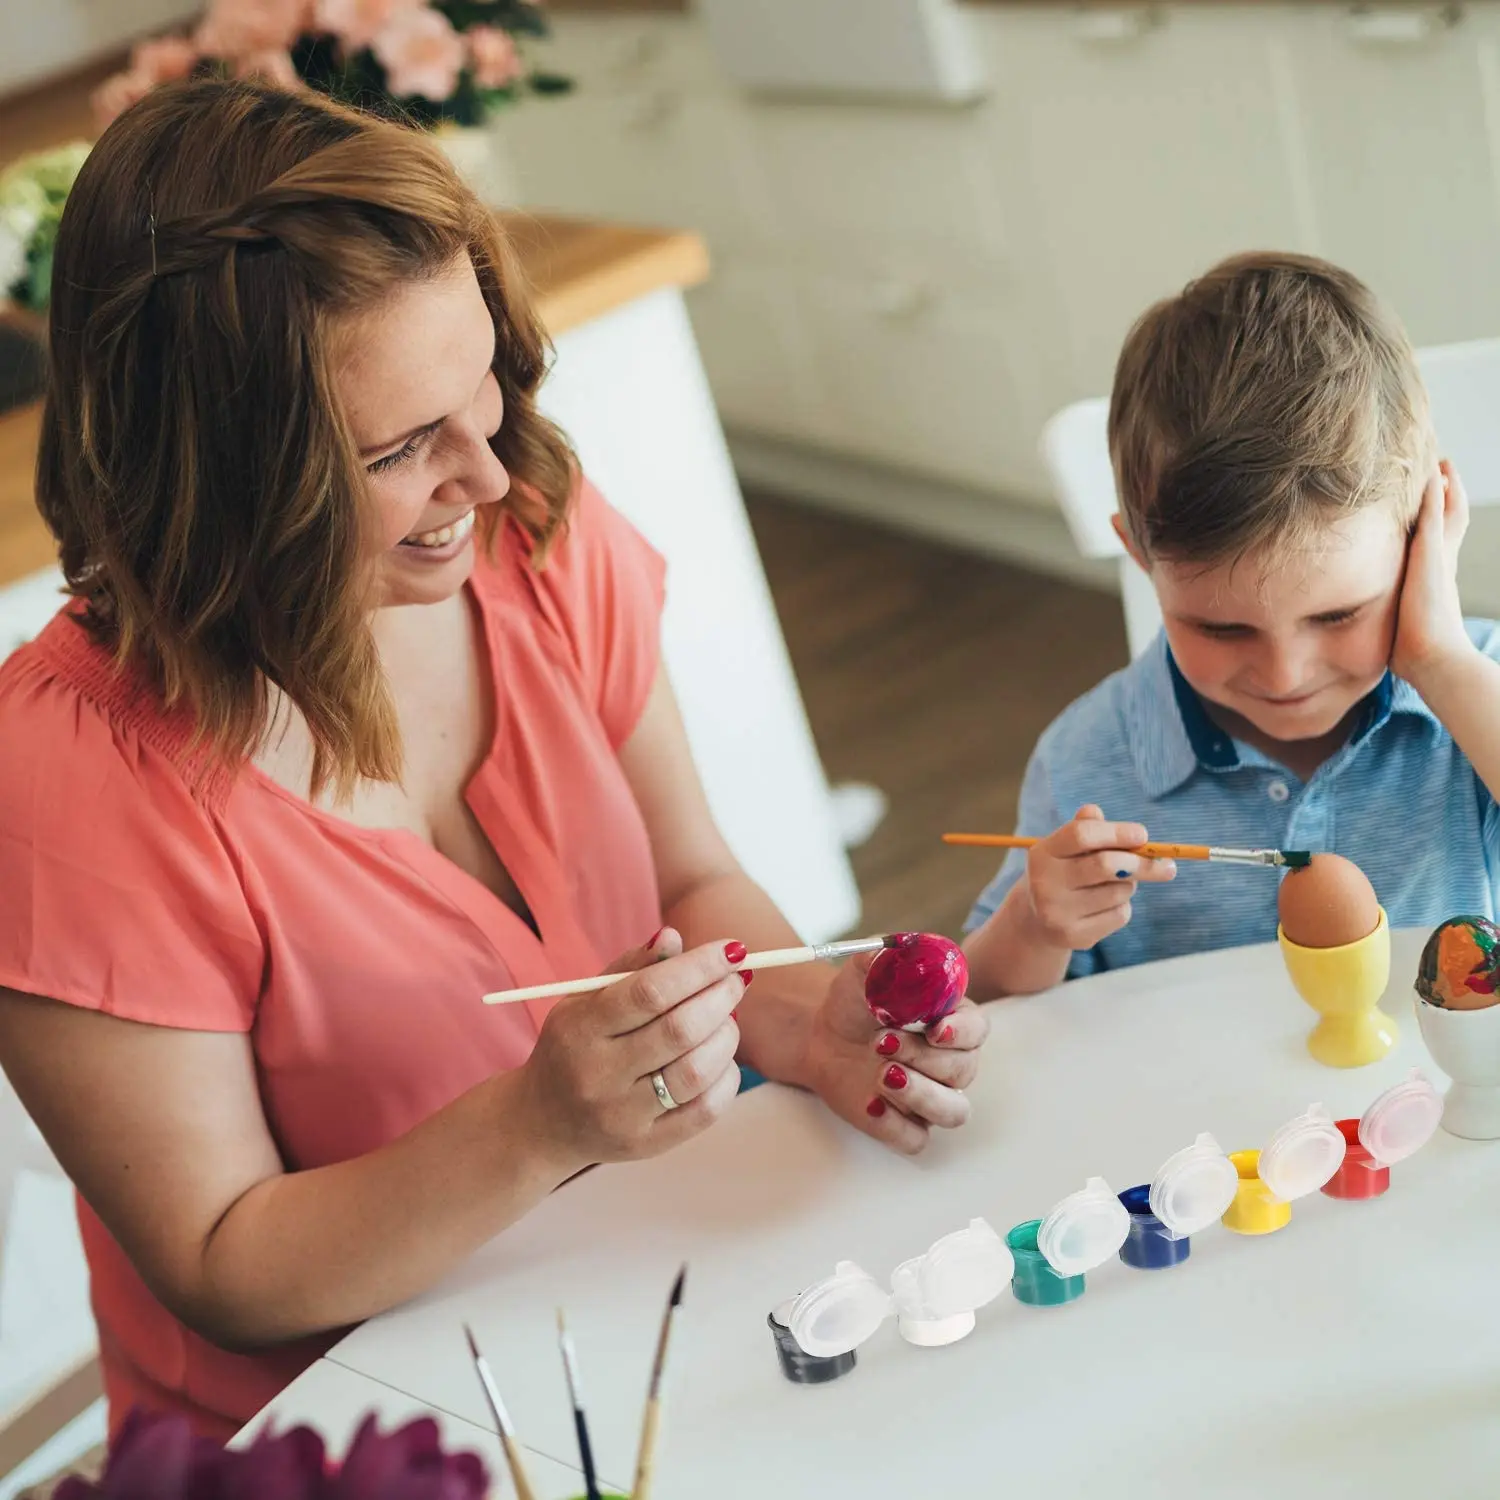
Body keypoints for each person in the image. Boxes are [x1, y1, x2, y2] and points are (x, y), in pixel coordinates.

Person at [0, 79, 989, 1442]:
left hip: (636, 1321)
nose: (484, 470)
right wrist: (534, 1127)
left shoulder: (531, 529)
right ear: (224, 481)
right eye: (405, 446)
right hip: (355, 1437)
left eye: (489, 388)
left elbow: (693, 884)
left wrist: (806, 1028)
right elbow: (223, 1262)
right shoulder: (65, 780)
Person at [963, 251, 1500, 998]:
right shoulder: (1087, 762)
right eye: (1221, 629)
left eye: (1338, 613)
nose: (1285, 675)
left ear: (1427, 534)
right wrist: (1034, 924)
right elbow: (987, 1014)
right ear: (1139, 557)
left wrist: (1441, 662)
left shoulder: (1479, 694)